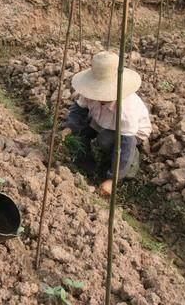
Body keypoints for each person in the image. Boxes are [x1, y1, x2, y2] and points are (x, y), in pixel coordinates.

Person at [64, 51, 152, 197]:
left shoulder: (126, 110)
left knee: (105, 140)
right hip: (102, 121)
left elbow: (126, 144)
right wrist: (69, 127)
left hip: (131, 134)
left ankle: (128, 167)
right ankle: (88, 169)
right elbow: (78, 109)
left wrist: (112, 179)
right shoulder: (90, 92)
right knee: (78, 134)